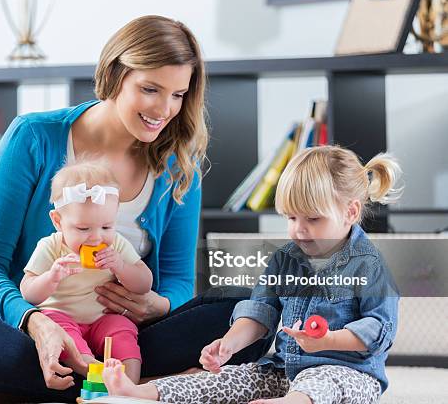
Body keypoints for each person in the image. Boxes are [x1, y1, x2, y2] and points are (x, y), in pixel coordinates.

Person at [0, 15, 271, 403]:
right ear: (115, 75)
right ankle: (143, 385)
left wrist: (154, 305)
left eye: (179, 94)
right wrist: (34, 322)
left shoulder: (179, 165)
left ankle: (24, 387)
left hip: (127, 338)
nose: (165, 109)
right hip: (31, 331)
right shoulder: (34, 137)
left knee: (247, 311)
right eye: (150, 89)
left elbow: (179, 282)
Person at [101, 145, 401, 404]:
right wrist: (228, 344)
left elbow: (379, 329)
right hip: (285, 370)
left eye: (312, 218)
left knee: (325, 381)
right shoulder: (286, 259)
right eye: (291, 217)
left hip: (349, 376)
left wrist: (328, 339)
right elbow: (260, 312)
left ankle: (294, 401)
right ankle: (143, 392)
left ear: (350, 212)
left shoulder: (368, 265)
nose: (298, 229)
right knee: (225, 378)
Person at [20, 159, 152, 383]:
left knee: (123, 330)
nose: (96, 237)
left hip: (103, 318)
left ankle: (130, 384)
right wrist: (52, 277)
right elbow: (28, 292)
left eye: (106, 227)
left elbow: (144, 284)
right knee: (63, 335)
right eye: (83, 228)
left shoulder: (116, 245)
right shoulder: (51, 246)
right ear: (58, 222)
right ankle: (93, 371)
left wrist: (120, 266)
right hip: (61, 316)